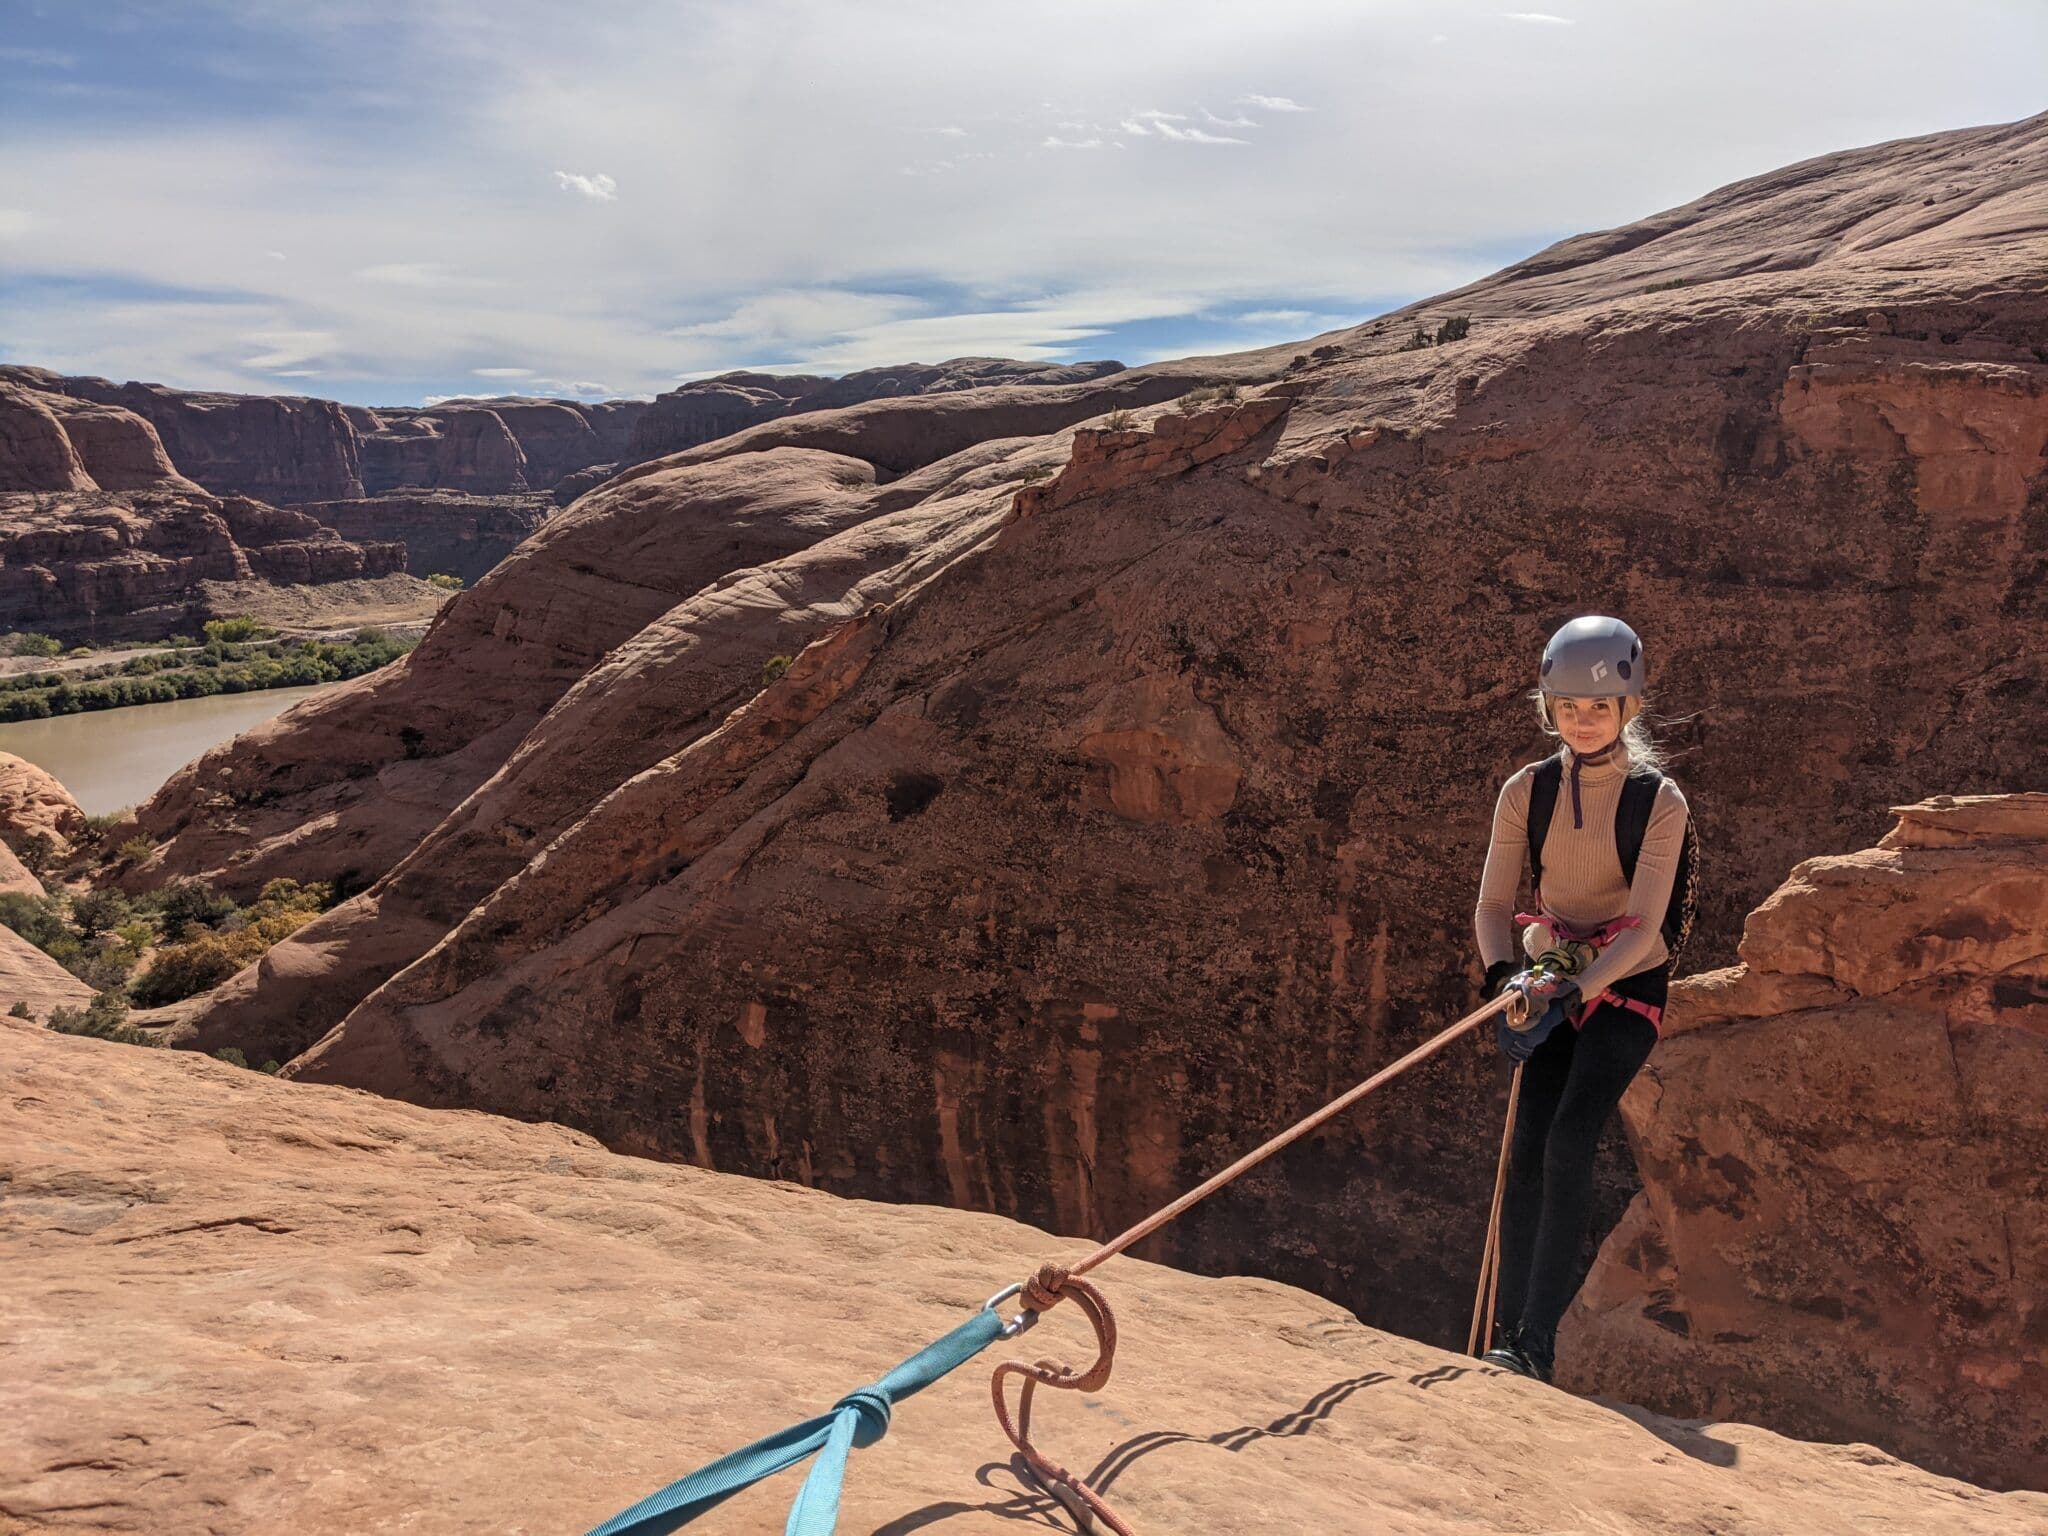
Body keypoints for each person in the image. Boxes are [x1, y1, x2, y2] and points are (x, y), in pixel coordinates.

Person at [1470, 614, 1691, 1383]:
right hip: (1550, 973)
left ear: (1629, 708)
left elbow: (1644, 928)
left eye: (1599, 705)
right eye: (1568, 705)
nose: (1583, 717)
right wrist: (1506, 984)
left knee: (1568, 1140)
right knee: (1525, 1148)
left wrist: (1573, 993)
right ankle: (1505, 1336)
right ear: (1548, 707)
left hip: (1624, 985)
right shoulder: (1523, 792)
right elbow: (1493, 910)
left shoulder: (1658, 801)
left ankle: (1536, 1343)